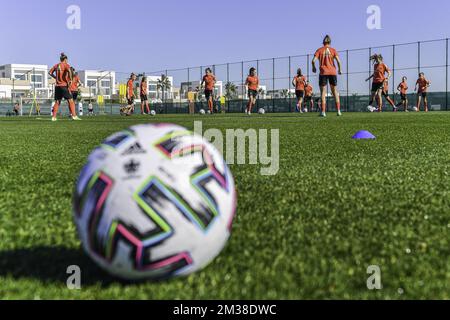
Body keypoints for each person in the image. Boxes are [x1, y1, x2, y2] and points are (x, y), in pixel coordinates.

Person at [312, 35, 343, 117]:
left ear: (323, 42)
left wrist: (314, 67)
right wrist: (339, 70)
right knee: (335, 92)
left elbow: (313, 61)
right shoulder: (333, 50)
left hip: (323, 73)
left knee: (323, 93)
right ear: (330, 42)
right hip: (332, 72)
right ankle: (338, 111)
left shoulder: (319, 50)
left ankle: (323, 112)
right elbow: (339, 61)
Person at [48, 52, 81, 121]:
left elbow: (50, 73)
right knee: (71, 100)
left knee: (57, 102)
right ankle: (74, 116)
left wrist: (56, 77)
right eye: (67, 59)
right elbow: (70, 71)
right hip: (64, 86)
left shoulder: (56, 65)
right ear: (65, 59)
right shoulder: (66, 65)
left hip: (57, 86)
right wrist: (70, 80)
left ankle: (53, 117)